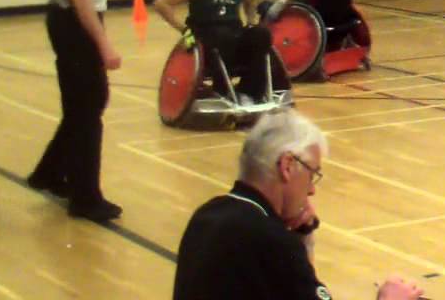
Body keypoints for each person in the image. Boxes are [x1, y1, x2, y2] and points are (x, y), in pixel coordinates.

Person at [173, 110, 426, 300]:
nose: (312, 189)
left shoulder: (205, 216)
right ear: (287, 166)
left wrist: (302, 237)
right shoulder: (271, 240)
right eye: (311, 173)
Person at [27, 0, 123, 223]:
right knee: (90, 106)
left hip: (60, 20)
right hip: (76, 23)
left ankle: (49, 172)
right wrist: (104, 44)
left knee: (79, 106)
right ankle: (86, 197)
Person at [153, 0, 290, 105]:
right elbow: (161, 3)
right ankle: (222, 89)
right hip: (207, 37)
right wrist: (184, 30)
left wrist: (251, 21)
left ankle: (247, 92)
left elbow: (250, 2)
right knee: (223, 36)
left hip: (233, 34)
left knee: (261, 34)